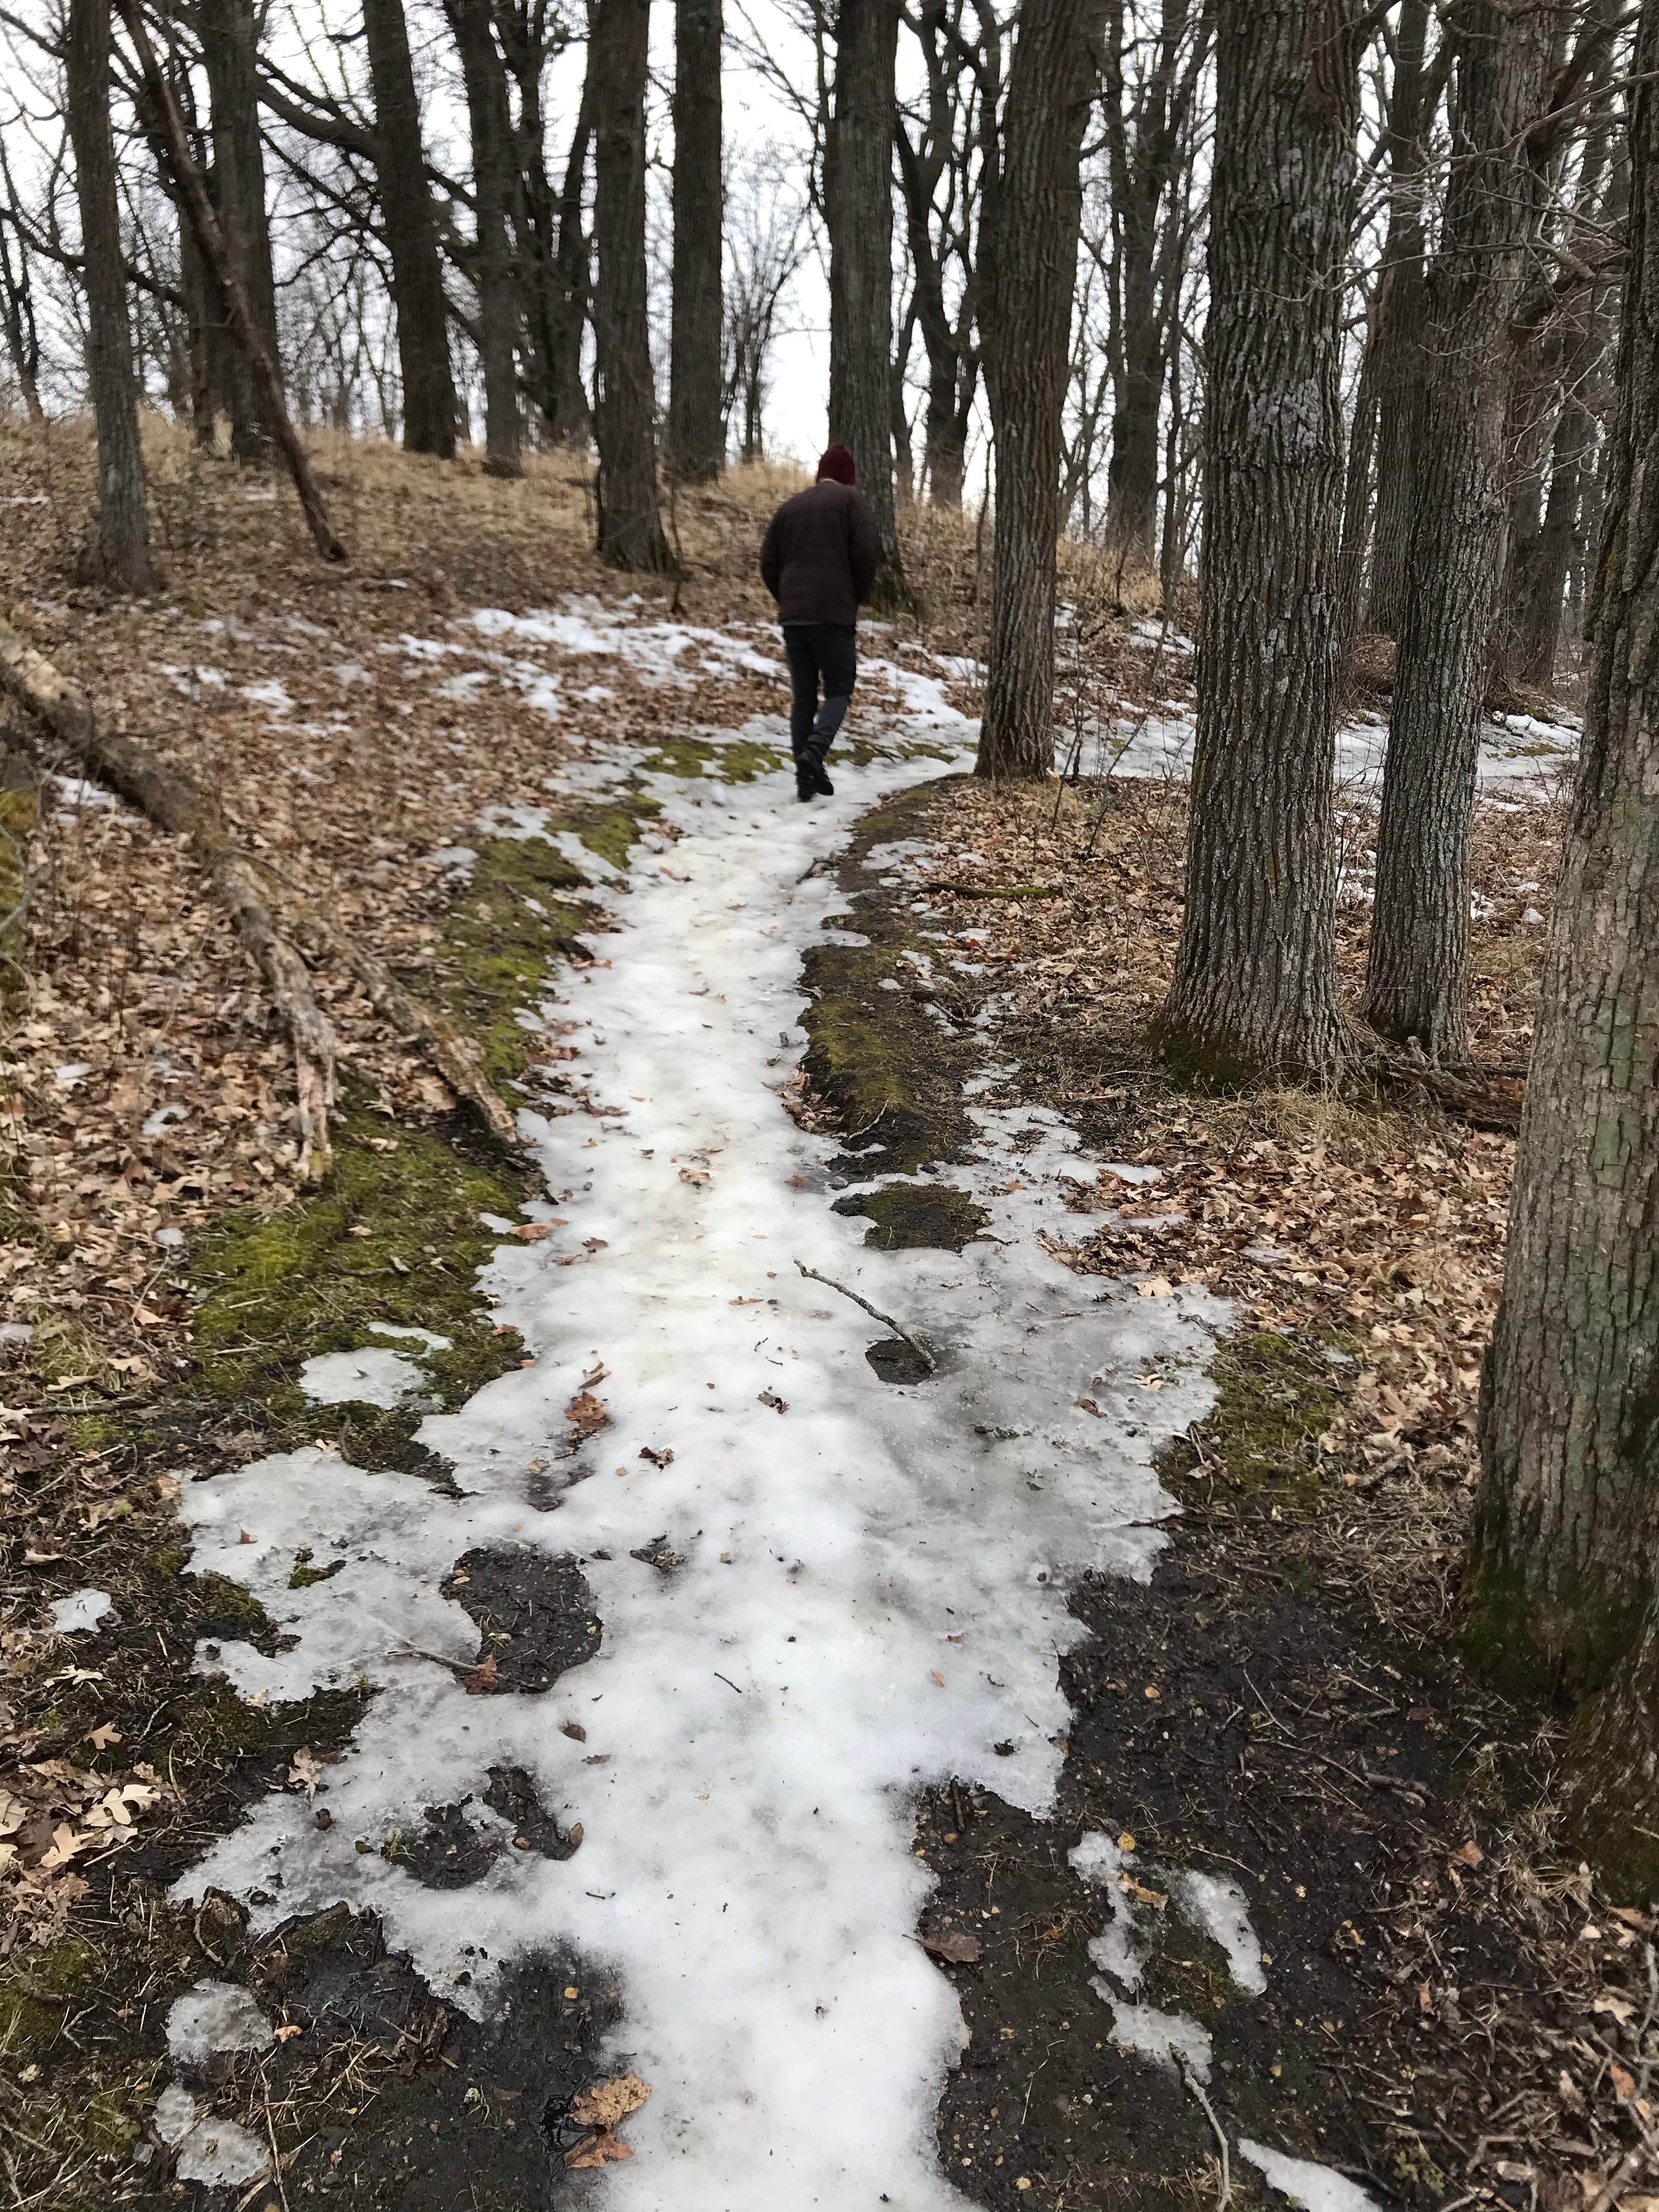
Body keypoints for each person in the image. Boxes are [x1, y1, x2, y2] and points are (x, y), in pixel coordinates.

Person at [759, 443, 881, 802]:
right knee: (840, 690)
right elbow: (867, 554)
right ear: (848, 477)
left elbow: (768, 562)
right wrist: (855, 596)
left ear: (820, 473)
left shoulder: (790, 507)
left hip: (794, 617)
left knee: (804, 698)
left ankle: (805, 782)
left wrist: (788, 598)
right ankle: (814, 753)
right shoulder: (852, 503)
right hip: (833, 614)